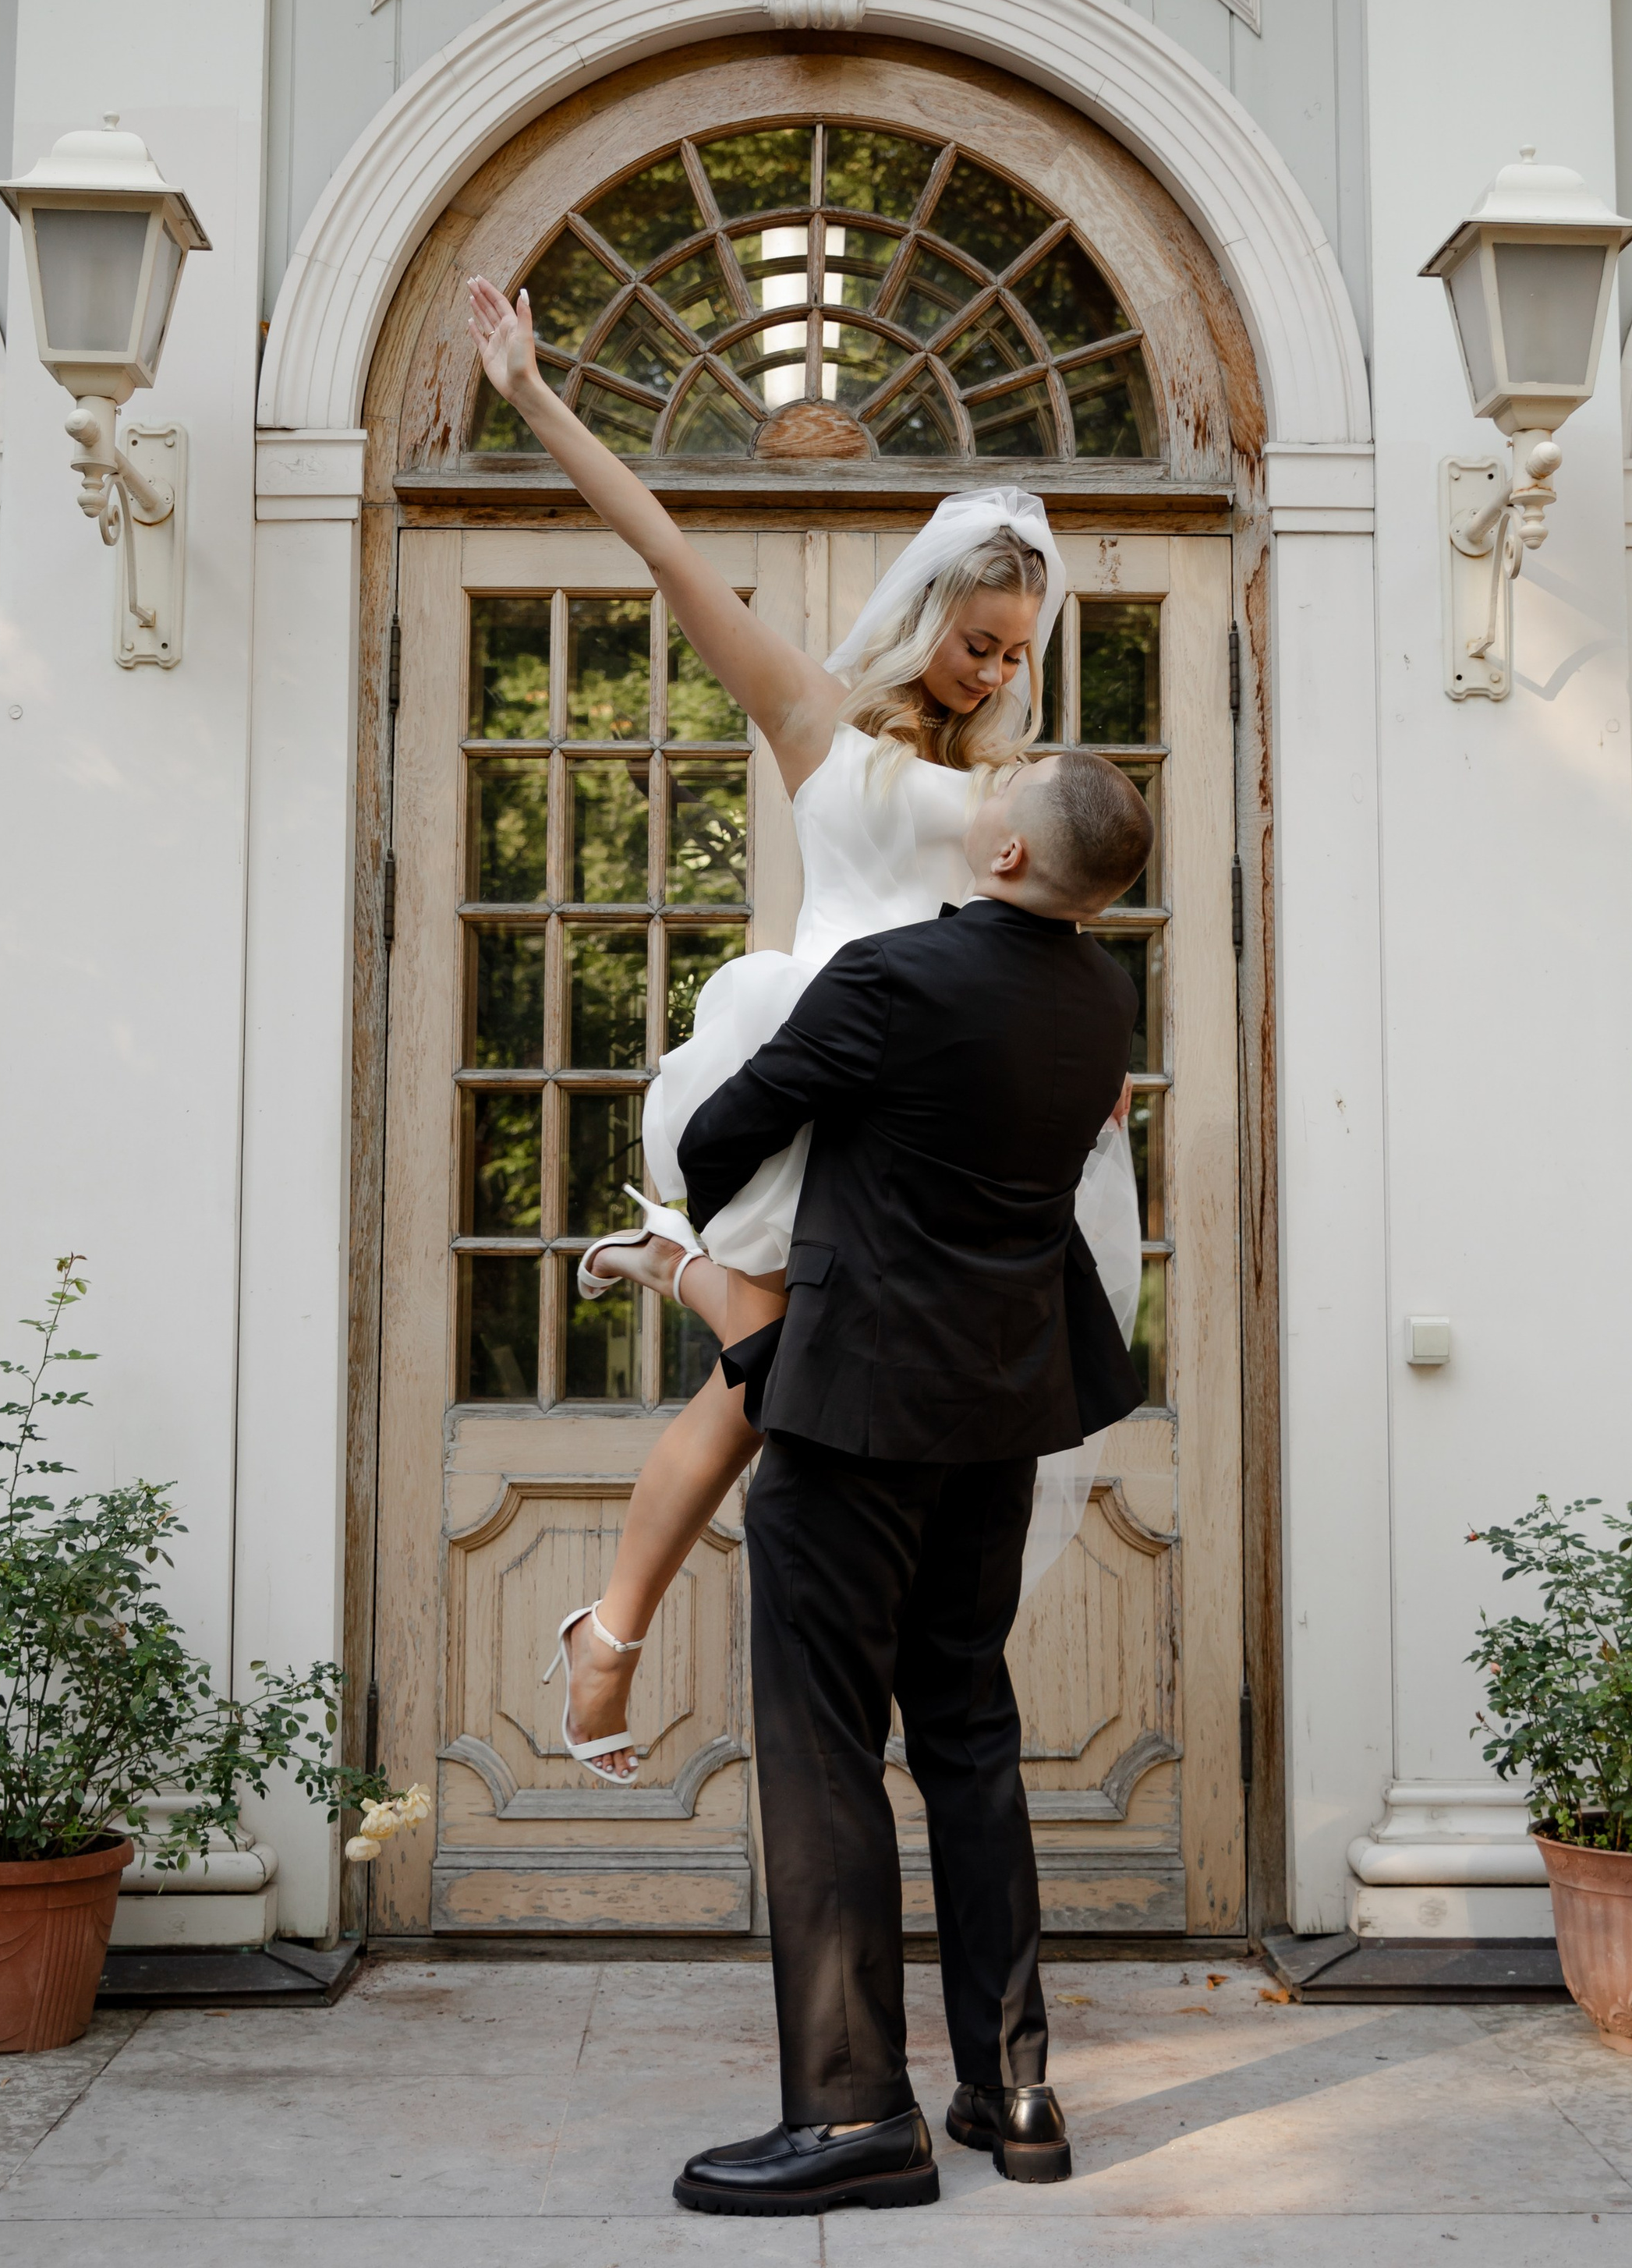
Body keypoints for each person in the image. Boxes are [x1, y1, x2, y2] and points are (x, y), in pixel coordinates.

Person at [467, 276, 1142, 1783]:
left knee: (772, 1381)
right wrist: (532, 394)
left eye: (1019, 651)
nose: (998, 671)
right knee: (772, 1375)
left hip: (935, 1121)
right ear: (925, 614)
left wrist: (1094, 1076)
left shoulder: (1016, 797)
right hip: (820, 1071)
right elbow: (668, 553)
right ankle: (622, 1594)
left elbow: (1052, 939)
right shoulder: (816, 725)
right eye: (980, 640)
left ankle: (614, 1598)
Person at [669, 747, 1153, 2213]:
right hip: (1000, 1417)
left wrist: (729, 1253)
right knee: (970, 1737)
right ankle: (1014, 2091)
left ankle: (851, 2118)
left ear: (1007, 856)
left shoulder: (890, 978)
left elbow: (718, 1131)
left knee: (824, 1751)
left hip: (854, 1416)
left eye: (1002, 795)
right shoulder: (1104, 1000)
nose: (977, 801)